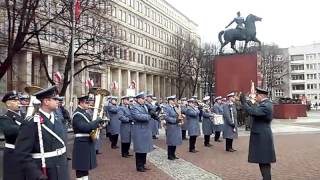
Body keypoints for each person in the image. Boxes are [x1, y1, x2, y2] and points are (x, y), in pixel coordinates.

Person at [14, 85, 69, 180]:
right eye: (55, 99)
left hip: (61, 168)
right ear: (46, 101)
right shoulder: (31, 122)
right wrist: (36, 174)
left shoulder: (58, 119)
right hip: (44, 171)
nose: (58, 101)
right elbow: (22, 153)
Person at [240, 88, 276, 180]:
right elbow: (254, 109)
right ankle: (266, 177)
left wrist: (243, 103)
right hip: (262, 135)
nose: (255, 97)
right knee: (263, 159)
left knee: (264, 160)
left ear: (261, 96)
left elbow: (253, 112)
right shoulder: (265, 104)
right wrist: (247, 103)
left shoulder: (266, 106)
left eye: (256, 96)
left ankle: (267, 178)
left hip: (262, 136)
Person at [72, 95, 103, 180]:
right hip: (81, 142)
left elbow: (90, 125)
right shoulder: (77, 114)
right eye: (87, 102)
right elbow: (85, 127)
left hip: (86, 141)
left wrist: (98, 125)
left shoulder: (84, 113)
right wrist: (96, 121)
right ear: (81, 102)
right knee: (80, 167)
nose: (89, 104)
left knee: (85, 167)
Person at [0, 91, 26, 180]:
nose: (18, 102)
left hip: (26, 152)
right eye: (15, 101)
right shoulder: (4, 118)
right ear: (8, 104)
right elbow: (11, 131)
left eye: (18, 100)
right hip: (13, 154)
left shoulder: (24, 115)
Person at [130, 92, 153, 172]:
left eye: (144, 98)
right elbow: (137, 116)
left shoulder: (145, 106)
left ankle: (143, 164)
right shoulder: (134, 107)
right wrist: (148, 116)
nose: (144, 100)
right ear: (138, 99)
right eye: (143, 99)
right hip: (139, 130)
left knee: (144, 148)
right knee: (140, 149)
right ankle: (139, 166)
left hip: (145, 129)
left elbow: (150, 111)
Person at [163, 95, 183, 160]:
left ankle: (173, 154)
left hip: (176, 126)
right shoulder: (166, 107)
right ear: (170, 101)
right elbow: (166, 117)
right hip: (171, 126)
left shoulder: (175, 107)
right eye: (173, 100)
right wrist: (175, 120)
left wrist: (180, 117)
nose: (175, 101)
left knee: (175, 141)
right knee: (171, 141)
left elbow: (178, 114)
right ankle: (170, 155)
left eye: (175, 100)